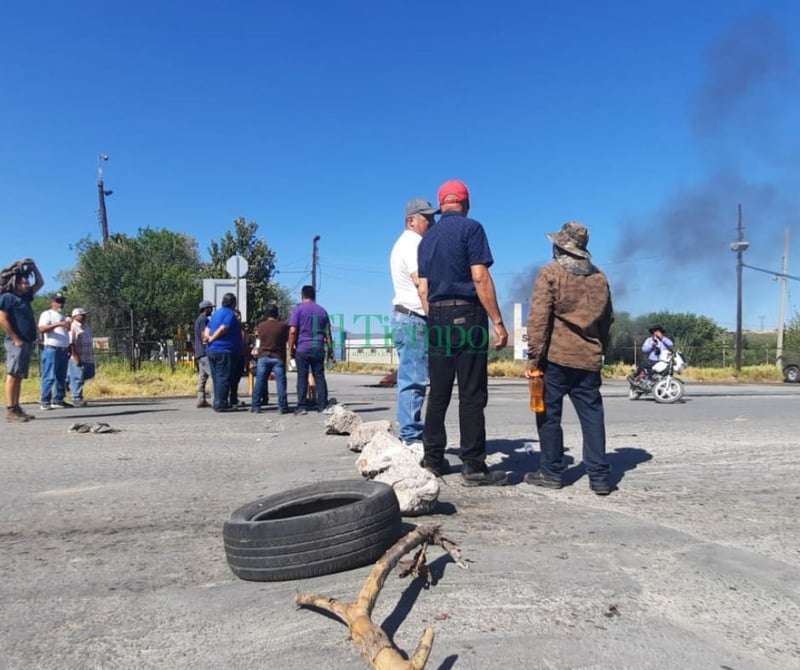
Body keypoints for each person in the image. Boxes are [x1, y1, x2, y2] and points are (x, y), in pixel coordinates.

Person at [416, 180, 509, 486]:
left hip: (437, 316)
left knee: (439, 391)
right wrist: (497, 320)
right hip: (468, 315)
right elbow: (480, 277)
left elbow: (424, 288)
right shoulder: (472, 229)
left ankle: (432, 460)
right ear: (466, 203)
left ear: (441, 205)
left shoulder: (426, 241)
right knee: (471, 392)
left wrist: (436, 321)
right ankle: (473, 466)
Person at [524, 221, 615, 496]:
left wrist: (532, 360)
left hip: (556, 359)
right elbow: (609, 321)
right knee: (592, 416)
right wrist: (601, 351)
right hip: (589, 359)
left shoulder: (550, 273)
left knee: (549, 417)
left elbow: (539, 320)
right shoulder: (599, 278)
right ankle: (599, 477)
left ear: (559, 247)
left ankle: (551, 472)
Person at [390, 197, 436, 444]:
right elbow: (422, 286)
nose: (432, 222)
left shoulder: (408, 243)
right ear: (411, 221)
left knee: (413, 378)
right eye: (427, 218)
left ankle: (412, 433)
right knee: (414, 380)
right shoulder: (413, 244)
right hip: (413, 319)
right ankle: (411, 438)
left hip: (406, 318)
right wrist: (435, 319)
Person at [0, 258, 44, 422]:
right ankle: (11, 410)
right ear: (16, 284)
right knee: (13, 374)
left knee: (19, 375)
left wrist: (34, 267)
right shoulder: (7, 298)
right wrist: (15, 338)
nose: (27, 285)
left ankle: (17, 408)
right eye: (24, 283)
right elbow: (2, 319)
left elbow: (40, 283)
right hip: (15, 342)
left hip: (26, 341)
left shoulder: (25, 298)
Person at [287, 285, 334, 414]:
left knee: (302, 377)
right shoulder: (322, 311)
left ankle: (302, 406)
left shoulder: (297, 310)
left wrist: (290, 349)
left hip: (302, 348)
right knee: (319, 376)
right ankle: (322, 405)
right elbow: (328, 334)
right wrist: (330, 351)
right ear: (314, 295)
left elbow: (292, 331)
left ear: (302, 295)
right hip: (318, 348)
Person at [203, 292, 243, 412]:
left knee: (217, 377)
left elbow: (207, 328)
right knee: (224, 378)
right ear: (233, 303)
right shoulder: (230, 314)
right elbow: (224, 328)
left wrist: (207, 338)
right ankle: (221, 404)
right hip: (224, 350)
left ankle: (217, 401)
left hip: (212, 350)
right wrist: (212, 338)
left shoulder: (216, 314)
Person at [251, 305, 291, 414]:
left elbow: (257, 337)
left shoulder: (261, 326)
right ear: (277, 314)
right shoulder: (282, 326)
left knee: (260, 381)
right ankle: (282, 407)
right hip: (278, 357)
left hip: (263, 356)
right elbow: (286, 340)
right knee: (281, 382)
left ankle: (255, 406)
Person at [38, 291, 72, 409]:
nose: (60, 304)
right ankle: (45, 401)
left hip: (63, 348)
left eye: (62, 301)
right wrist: (58, 324)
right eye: (58, 302)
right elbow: (42, 328)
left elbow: (66, 332)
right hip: (51, 348)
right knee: (49, 376)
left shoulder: (64, 316)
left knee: (61, 376)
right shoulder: (48, 314)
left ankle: (58, 399)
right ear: (52, 302)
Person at [68, 308, 95, 406]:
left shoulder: (86, 326)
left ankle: (66, 382)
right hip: (79, 356)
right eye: (82, 315)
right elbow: (71, 343)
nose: (84, 316)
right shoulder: (73, 326)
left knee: (89, 374)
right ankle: (76, 397)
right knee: (77, 377)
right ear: (75, 316)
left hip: (88, 356)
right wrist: (76, 356)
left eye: (85, 315)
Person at [194, 300, 214, 408]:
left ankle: (201, 399)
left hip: (199, 352)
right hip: (205, 352)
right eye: (210, 308)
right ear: (205, 309)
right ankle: (216, 399)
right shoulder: (204, 320)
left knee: (203, 377)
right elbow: (204, 335)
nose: (212, 310)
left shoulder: (198, 320)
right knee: (213, 375)